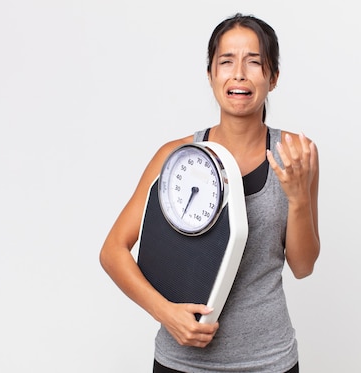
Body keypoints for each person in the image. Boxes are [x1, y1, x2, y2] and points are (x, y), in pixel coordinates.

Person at [99, 13, 320, 373]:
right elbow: (112, 251)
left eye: (254, 62)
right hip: (182, 362)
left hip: (269, 361)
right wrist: (165, 313)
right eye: (226, 61)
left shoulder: (297, 154)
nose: (239, 74)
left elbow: (303, 265)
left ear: (273, 78)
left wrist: (298, 198)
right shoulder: (174, 156)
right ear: (211, 75)